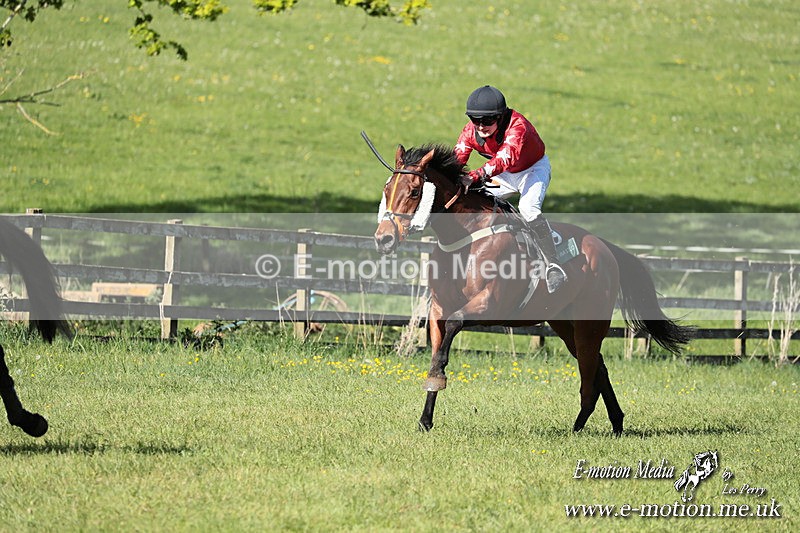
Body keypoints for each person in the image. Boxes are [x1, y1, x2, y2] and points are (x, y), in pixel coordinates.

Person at [453, 85, 567, 293]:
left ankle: (554, 264)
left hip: (532, 170)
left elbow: (505, 159)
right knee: (474, 200)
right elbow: (457, 160)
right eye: (475, 120)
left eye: (487, 121)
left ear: (500, 116)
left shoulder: (518, 126)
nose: (480, 126)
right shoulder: (470, 131)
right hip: (503, 174)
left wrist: (475, 176)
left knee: (528, 209)